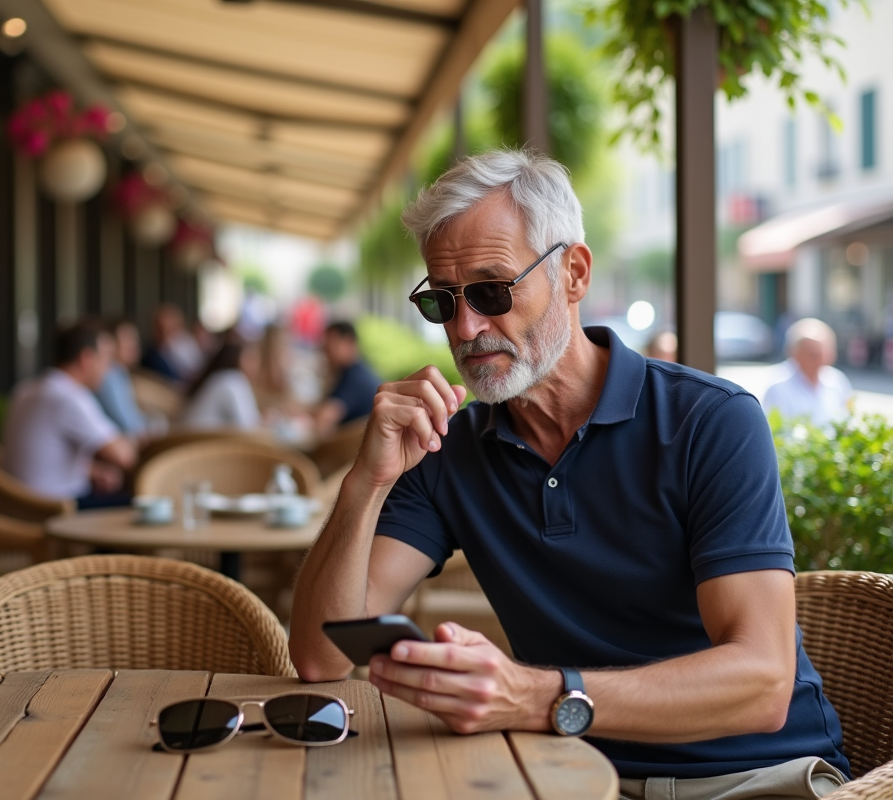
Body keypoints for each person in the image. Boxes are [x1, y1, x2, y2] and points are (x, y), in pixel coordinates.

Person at [289, 149, 850, 799]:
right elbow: (320, 656)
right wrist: (367, 482)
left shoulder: (711, 422)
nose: (467, 327)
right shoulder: (444, 447)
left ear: (574, 273)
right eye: (443, 302)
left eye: (491, 290)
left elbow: (762, 685)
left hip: (753, 778)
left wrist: (533, 697)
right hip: (569, 778)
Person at [2, 318, 137, 508]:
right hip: (57, 510)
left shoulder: (26, 389)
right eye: (107, 359)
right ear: (86, 359)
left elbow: (44, 457)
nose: (108, 370)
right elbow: (124, 456)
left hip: (20, 505)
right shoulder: (70, 397)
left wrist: (92, 472)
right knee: (143, 504)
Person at [762, 318, 853, 428]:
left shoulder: (837, 380)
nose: (820, 360)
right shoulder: (778, 385)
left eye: (825, 353)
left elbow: (847, 421)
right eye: (813, 355)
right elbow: (772, 431)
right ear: (794, 353)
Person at [313, 321, 382, 436]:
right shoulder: (354, 371)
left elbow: (324, 417)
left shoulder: (355, 378)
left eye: (331, 346)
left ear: (348, 342)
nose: (326, 352)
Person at [181, 338, 262, 430]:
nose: (256, 365)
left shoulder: (220, 377)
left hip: (190, 438)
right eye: (250, 359)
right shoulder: (233, 380)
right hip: (201, 441)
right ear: (237, 358)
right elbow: (248, 427)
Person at [94, 318, 148, 438]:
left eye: (135, 339)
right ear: (110, 344)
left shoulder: (120, 372)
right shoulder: (109, 376)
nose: (134, 345)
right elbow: (130, 427)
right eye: (127, 340)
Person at [141, 303, 204, 383]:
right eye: (163, 330)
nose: (168, 335)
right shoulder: (152, 357)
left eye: (173, 328)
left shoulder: (187, 344)